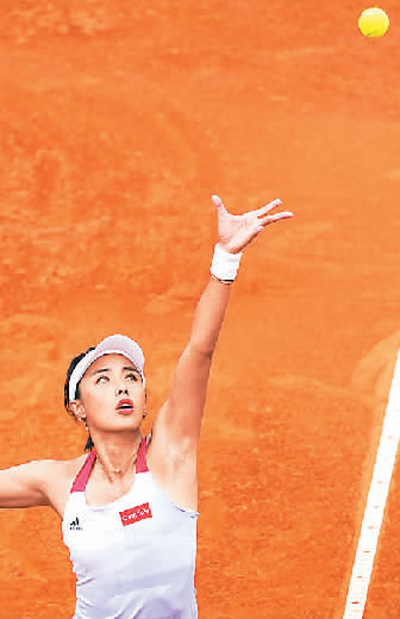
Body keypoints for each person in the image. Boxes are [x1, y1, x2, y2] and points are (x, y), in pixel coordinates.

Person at [0, 194, 293, 619]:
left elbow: (199, 351)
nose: (122, 386)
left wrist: (226, 259)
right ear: (78, 409)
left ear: (143, 401)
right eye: (103, 379)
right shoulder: (58, 482)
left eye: (131, 377)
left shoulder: (171, 455)